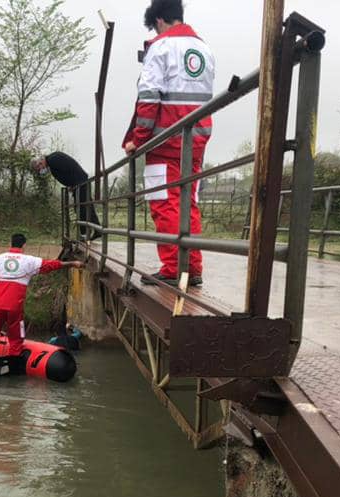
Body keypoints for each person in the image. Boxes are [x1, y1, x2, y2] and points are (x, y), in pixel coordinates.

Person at [123, 0, 214, 287]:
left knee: (165, 203)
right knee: (188, 203)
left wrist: (138, 140)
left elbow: (149, 99)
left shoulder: (160, 48)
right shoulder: (204, 49)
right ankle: (192, 267)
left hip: (165, 141)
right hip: (196, 138)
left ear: (159, 19)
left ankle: (175, 268)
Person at [0, 233, 83, 357]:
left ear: (10, 243)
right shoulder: (29, 261)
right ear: (24, 245)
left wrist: (5, 278)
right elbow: (51, 265)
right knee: (16, 337)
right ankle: (15, 361)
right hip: (14, 306)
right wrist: (72, 263)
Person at [31, 152, 101, 240]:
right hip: (79, 182)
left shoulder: (53, 160)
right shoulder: (52, 161)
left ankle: (84, 234)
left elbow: (68, 170)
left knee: (82, 208)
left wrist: (74, 184)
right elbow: (67, 173)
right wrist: (71, 185)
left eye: (39, 168)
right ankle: (97, 229)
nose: (41, 169)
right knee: (86, 206)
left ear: (40, 162)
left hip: (80, 183)